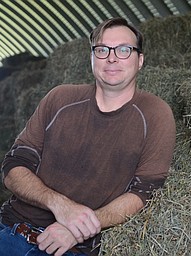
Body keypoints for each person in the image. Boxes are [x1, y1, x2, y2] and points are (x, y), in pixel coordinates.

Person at [0, 17, 176, 256]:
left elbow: (144, 193)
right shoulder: (59, 99)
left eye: (124, 50)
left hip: (72, 248)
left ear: (140, 60)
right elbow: (13, 167)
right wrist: (60, 206)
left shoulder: (156, 114)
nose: (112, 57)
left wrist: (77, 228)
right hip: (11, 231)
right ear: (92, 58)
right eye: (102, 50)